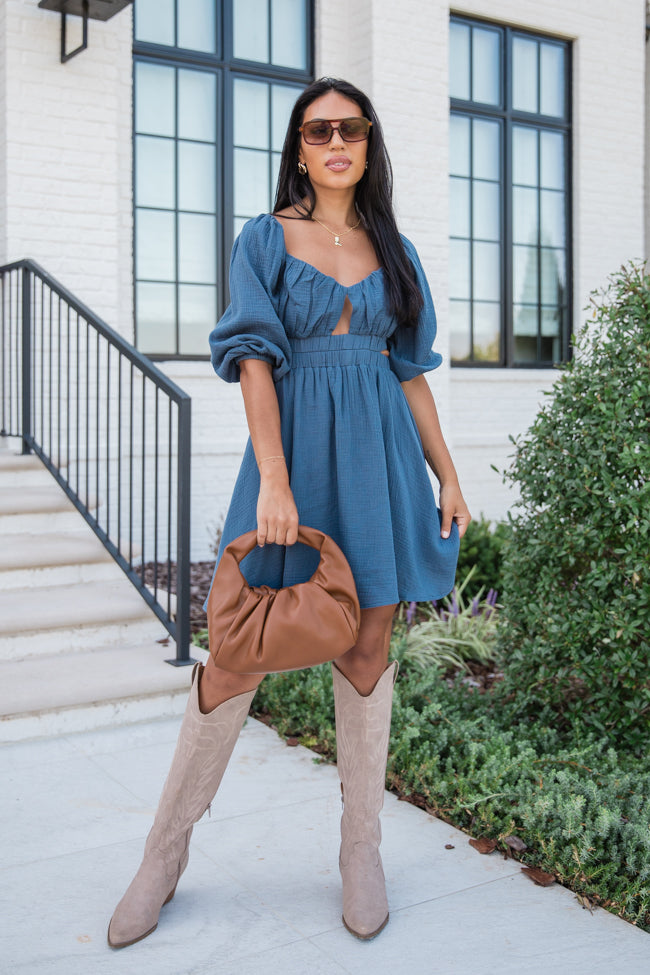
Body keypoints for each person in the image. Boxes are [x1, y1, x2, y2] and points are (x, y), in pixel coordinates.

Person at [108, 76, 471, 950]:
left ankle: (361, 850)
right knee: (237, 649)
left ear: (370, 143)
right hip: (295, 454)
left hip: (380, 460)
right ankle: (164, 853)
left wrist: (447, 473)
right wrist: (273, 477)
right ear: (299, 146)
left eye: (352, 128)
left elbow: (409, 371)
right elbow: (255, 362)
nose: (336, 141)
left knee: (367, 641)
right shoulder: (265, 238)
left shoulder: (399, 249)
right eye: (319, 129)